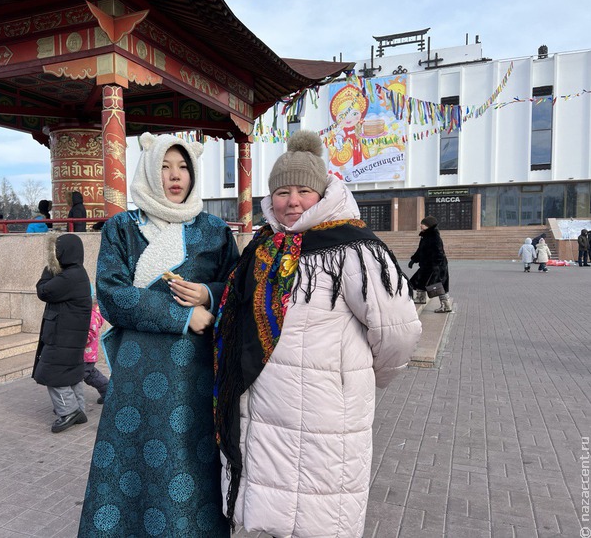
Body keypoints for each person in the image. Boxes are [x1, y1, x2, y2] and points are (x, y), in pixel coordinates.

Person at [213, 131, 422, 537]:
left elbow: (399, 332)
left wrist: (355, 380)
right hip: (263, 411)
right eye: (282, 192)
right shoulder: (264, 246)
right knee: (267, 511)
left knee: (318, 514)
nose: (292, 201)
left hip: (325, 414)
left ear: (323, 192)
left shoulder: (354, 250)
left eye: (304, 190)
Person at [78, 132, 239, 537]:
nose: (175, 175)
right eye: (165, 166)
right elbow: (111, 294)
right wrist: (182, 317)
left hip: (195, 373)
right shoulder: (121, 228)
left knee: (190, 456)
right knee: (134, 459)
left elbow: (237, 288)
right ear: (150, 170)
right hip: (138, 368)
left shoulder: (215, 230)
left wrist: (208, 295)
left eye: (183, 166)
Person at [33, 233, 92, 433]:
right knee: (70, 373)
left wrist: (49, 270)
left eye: (56, 253)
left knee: (52, 373)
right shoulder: (76, 272)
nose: (55, 256)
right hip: (69, 336)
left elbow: (43, 291)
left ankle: (68, 411)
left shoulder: (69, 277)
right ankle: (78, 409)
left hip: (63, 336)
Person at [409, 216, 452, 313]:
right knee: (419, 281)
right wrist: (414, 259)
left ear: (428, 225)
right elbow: (421, 250)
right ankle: (421, 298)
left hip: (436, 266)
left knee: (438, 285)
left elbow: (439, 252)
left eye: (423, 224)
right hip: (426, 265)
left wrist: (436, 267)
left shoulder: (434, 236)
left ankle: (446, 306)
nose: (421, 225)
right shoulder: (425, 235)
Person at [83, 286, 109, 404]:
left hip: (86, 354)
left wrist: (77, 340)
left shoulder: (91, 315)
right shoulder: (91, 313)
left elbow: (91, 332)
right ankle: (107, 390)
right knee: (90, 374)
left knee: (86, 375)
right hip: (87, 354)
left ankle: (107, 390)